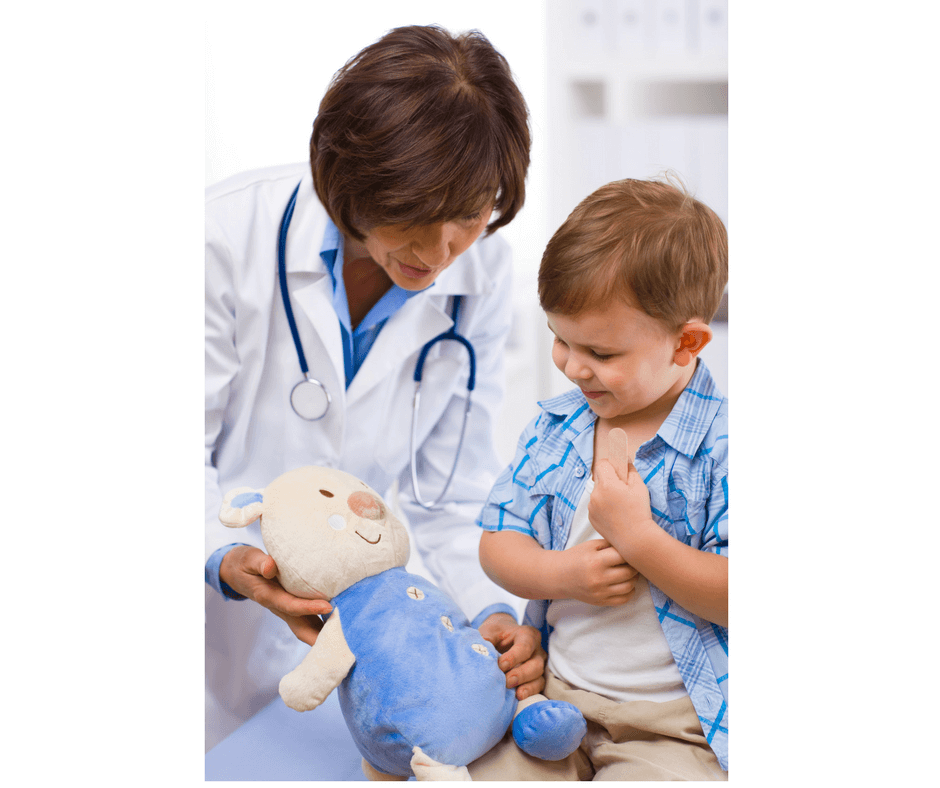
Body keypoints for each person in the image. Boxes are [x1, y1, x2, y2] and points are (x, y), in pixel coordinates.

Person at [205, 24, 543, 749]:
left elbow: (446, 492)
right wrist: (226, 558)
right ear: (351, 178)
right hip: (211, 636)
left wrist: (491, 609)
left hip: (356, 657)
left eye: (466, 217)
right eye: (412, 219)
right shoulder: (221, 238)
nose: (438, 252)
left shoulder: (477, 276)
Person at [469, 177, 729, 780]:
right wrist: (562, 574)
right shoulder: (556, 427)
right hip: (552, 701)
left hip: (674, 724)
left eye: (602, 354)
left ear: (686, 342)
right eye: (560, 339)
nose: (572, 365)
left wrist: (639, 540)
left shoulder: (723, 450)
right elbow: (497, 538)